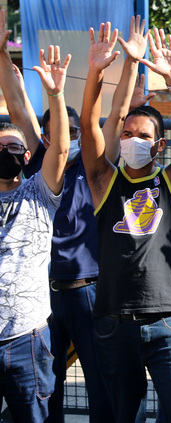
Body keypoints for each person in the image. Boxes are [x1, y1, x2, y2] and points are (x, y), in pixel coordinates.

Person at [81, 24, 171, 422]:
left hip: (169, 320)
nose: (133, 139)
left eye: (144, 135)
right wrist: (98, 72)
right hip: (113, 322)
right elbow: (89, 127)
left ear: (160, 144)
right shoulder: (104, 181)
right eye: (128, 133)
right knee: (123, 416)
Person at [0, 31, 70, 421]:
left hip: (26, 337)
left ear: (26, 156)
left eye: (13, 148)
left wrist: (56, 95)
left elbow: (59, 148)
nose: (5, 153)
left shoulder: (39, 193)